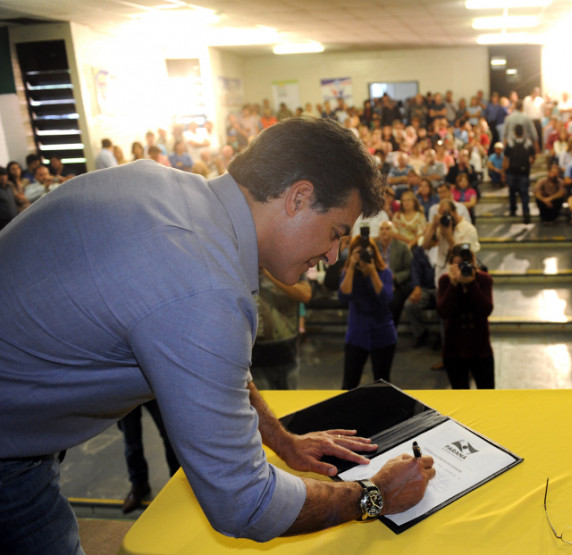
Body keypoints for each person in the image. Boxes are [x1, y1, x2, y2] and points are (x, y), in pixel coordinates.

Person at [0, 117, 435, 553]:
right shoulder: (204, 288)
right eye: (335, 233)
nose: (333, 254)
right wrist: (374, 495)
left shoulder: (167, 188)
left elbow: (210, 363)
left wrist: (282, 439)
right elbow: (246, 501)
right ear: (299, 197)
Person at [338, 234, 398, 390]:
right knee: (349, 383)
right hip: (357, 335)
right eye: (359, 252)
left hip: (382, 333)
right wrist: (351, 266)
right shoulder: (348, 273)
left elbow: (387, 298)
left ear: (374, 252)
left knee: (383, 383)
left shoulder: (384, 272)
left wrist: (372, 272)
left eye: (367, 252)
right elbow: (343, 296)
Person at [437, 244, 494, 389]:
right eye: (459, 265)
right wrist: (454, 285)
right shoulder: (445, 281)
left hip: (480, 347)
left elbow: (486, 309)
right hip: (454, 348)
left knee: (487, 394)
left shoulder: (483, 279)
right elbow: (443, 312)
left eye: (466, 264)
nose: (464, 268)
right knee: (460, 395)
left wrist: (472, 284)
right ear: (451, 264)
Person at [251, 268, 312, 391]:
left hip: (286, 353)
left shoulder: (289, 262)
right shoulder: (243, 264)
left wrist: (268, 273)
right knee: (263, 406)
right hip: (256, 356)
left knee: (290, 406)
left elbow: (305, 294)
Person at [116, 401, 180, 513]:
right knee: (131, 441)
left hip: (153, 389)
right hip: (125, 391)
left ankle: (177, 483)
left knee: (170, 435)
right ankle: (139, 485)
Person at [376, 221, 413, 327]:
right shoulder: (373, 247)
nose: (384, 231)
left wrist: (395, 277)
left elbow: (409, 269)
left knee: (394, 303)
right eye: (381, 228)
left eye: (387, 228)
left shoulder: (402, 247)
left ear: (393, 232)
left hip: (396, 284)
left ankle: (391, 330)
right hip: (377, 283)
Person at [504, 124, 536, 223]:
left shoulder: (510, 143)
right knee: (524, 193)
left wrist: (505, 170)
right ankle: (526, 212)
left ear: (514, 132)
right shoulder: (528, 143)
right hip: (524, 172)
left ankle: (513, 210)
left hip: (512, 171)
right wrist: (528, 164)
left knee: (512, 192)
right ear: (523, 132)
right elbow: (533, 156)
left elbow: (505, 158)